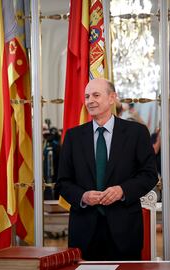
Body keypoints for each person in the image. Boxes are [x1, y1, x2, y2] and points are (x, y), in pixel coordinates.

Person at [56, 78, 158, 260]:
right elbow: (63, 182)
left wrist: (122, 191)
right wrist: (83, 196)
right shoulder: (73, 137)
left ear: (112, 98)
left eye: (96, 95)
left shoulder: (137, 133)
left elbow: (149, 175)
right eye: (87, 96)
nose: (90, 100)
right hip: (84, 232)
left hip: (125, 231)